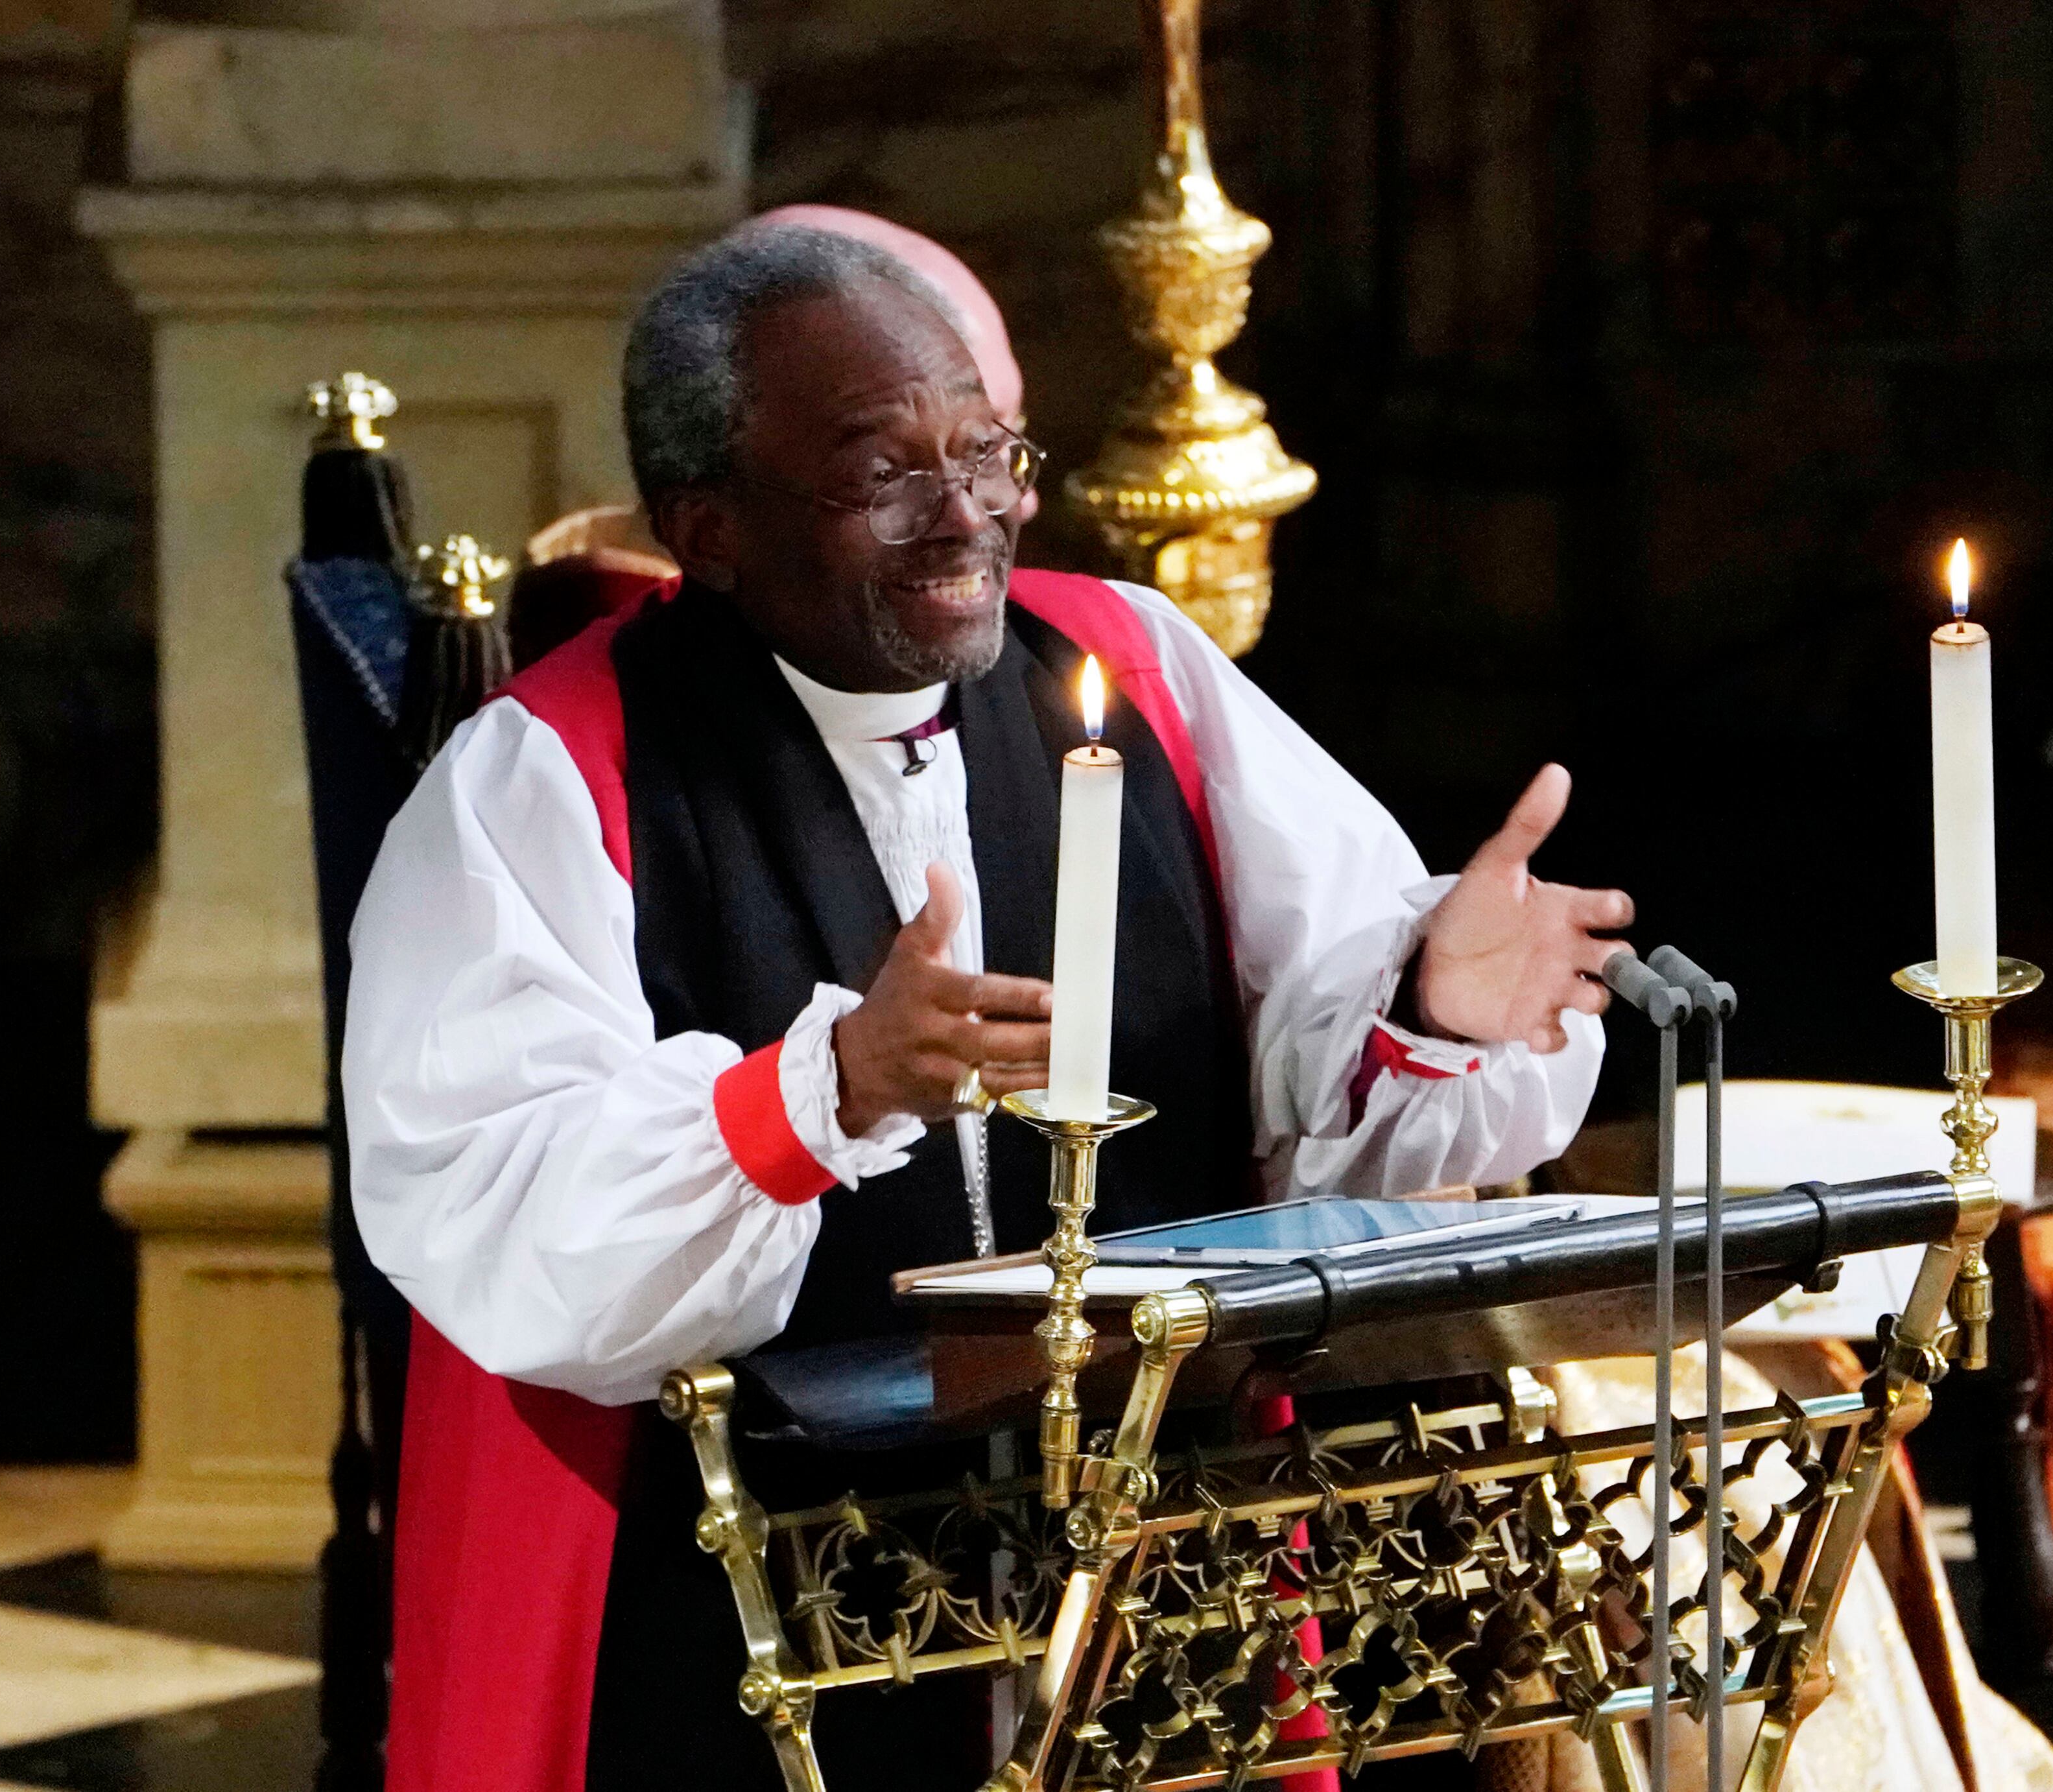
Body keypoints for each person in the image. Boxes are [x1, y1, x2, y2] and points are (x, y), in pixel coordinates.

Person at [344, 218, 1632, 1792]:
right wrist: (819, 1095)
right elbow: (496, 1203)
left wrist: (1433, 1001)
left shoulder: (1131, 666)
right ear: (710, 525)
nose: (968, 514)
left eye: (989, 449)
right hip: (738, 1615)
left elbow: (1313, 1071)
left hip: (1144, 1571)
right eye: (884, 469)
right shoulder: (548, 773)